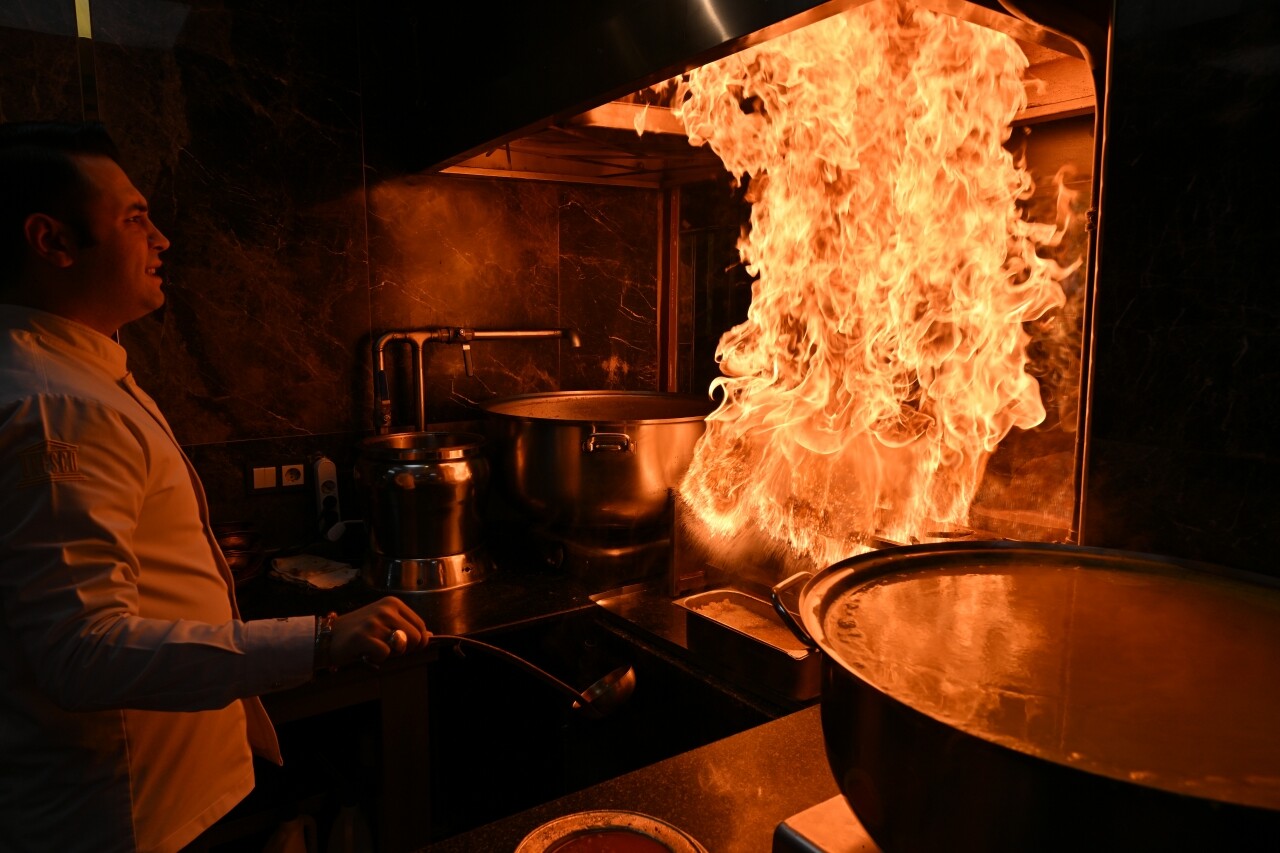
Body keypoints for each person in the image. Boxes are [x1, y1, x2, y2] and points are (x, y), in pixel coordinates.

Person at [0, 121, 430, 853]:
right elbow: (82, 651)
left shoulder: (74, 371)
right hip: (122, 814)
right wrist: (323, 639)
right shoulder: (53, 406)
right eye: (135, 218)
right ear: (53, 241)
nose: (162, 238)